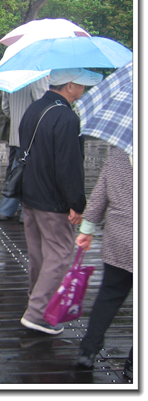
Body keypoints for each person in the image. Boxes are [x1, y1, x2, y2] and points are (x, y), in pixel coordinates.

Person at [18, 67, 103, 335]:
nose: (83, 90)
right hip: (53, 200)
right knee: (61, 255)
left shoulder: (34, 108)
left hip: (30, 194)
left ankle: (36, 298)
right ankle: (38, 313)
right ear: (69, 86)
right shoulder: (65, 117)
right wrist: (77, 203)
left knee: (39, 254)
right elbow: (69, 166)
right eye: (82, 85)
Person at [75, 146, 133, 379]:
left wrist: (87, 229)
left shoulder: (120, 151)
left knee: (109, 294)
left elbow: (100, 192)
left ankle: (88, 350)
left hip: (119, 236)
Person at [0, 77, 49, 222]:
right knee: (32, 174)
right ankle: (26, 213)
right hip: (32, 134)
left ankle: (6, 209)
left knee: (16, 171)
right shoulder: (37, 78)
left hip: (16, 133)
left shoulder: (11, 79)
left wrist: (16, 120)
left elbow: (5, 108)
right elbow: (43, 105)